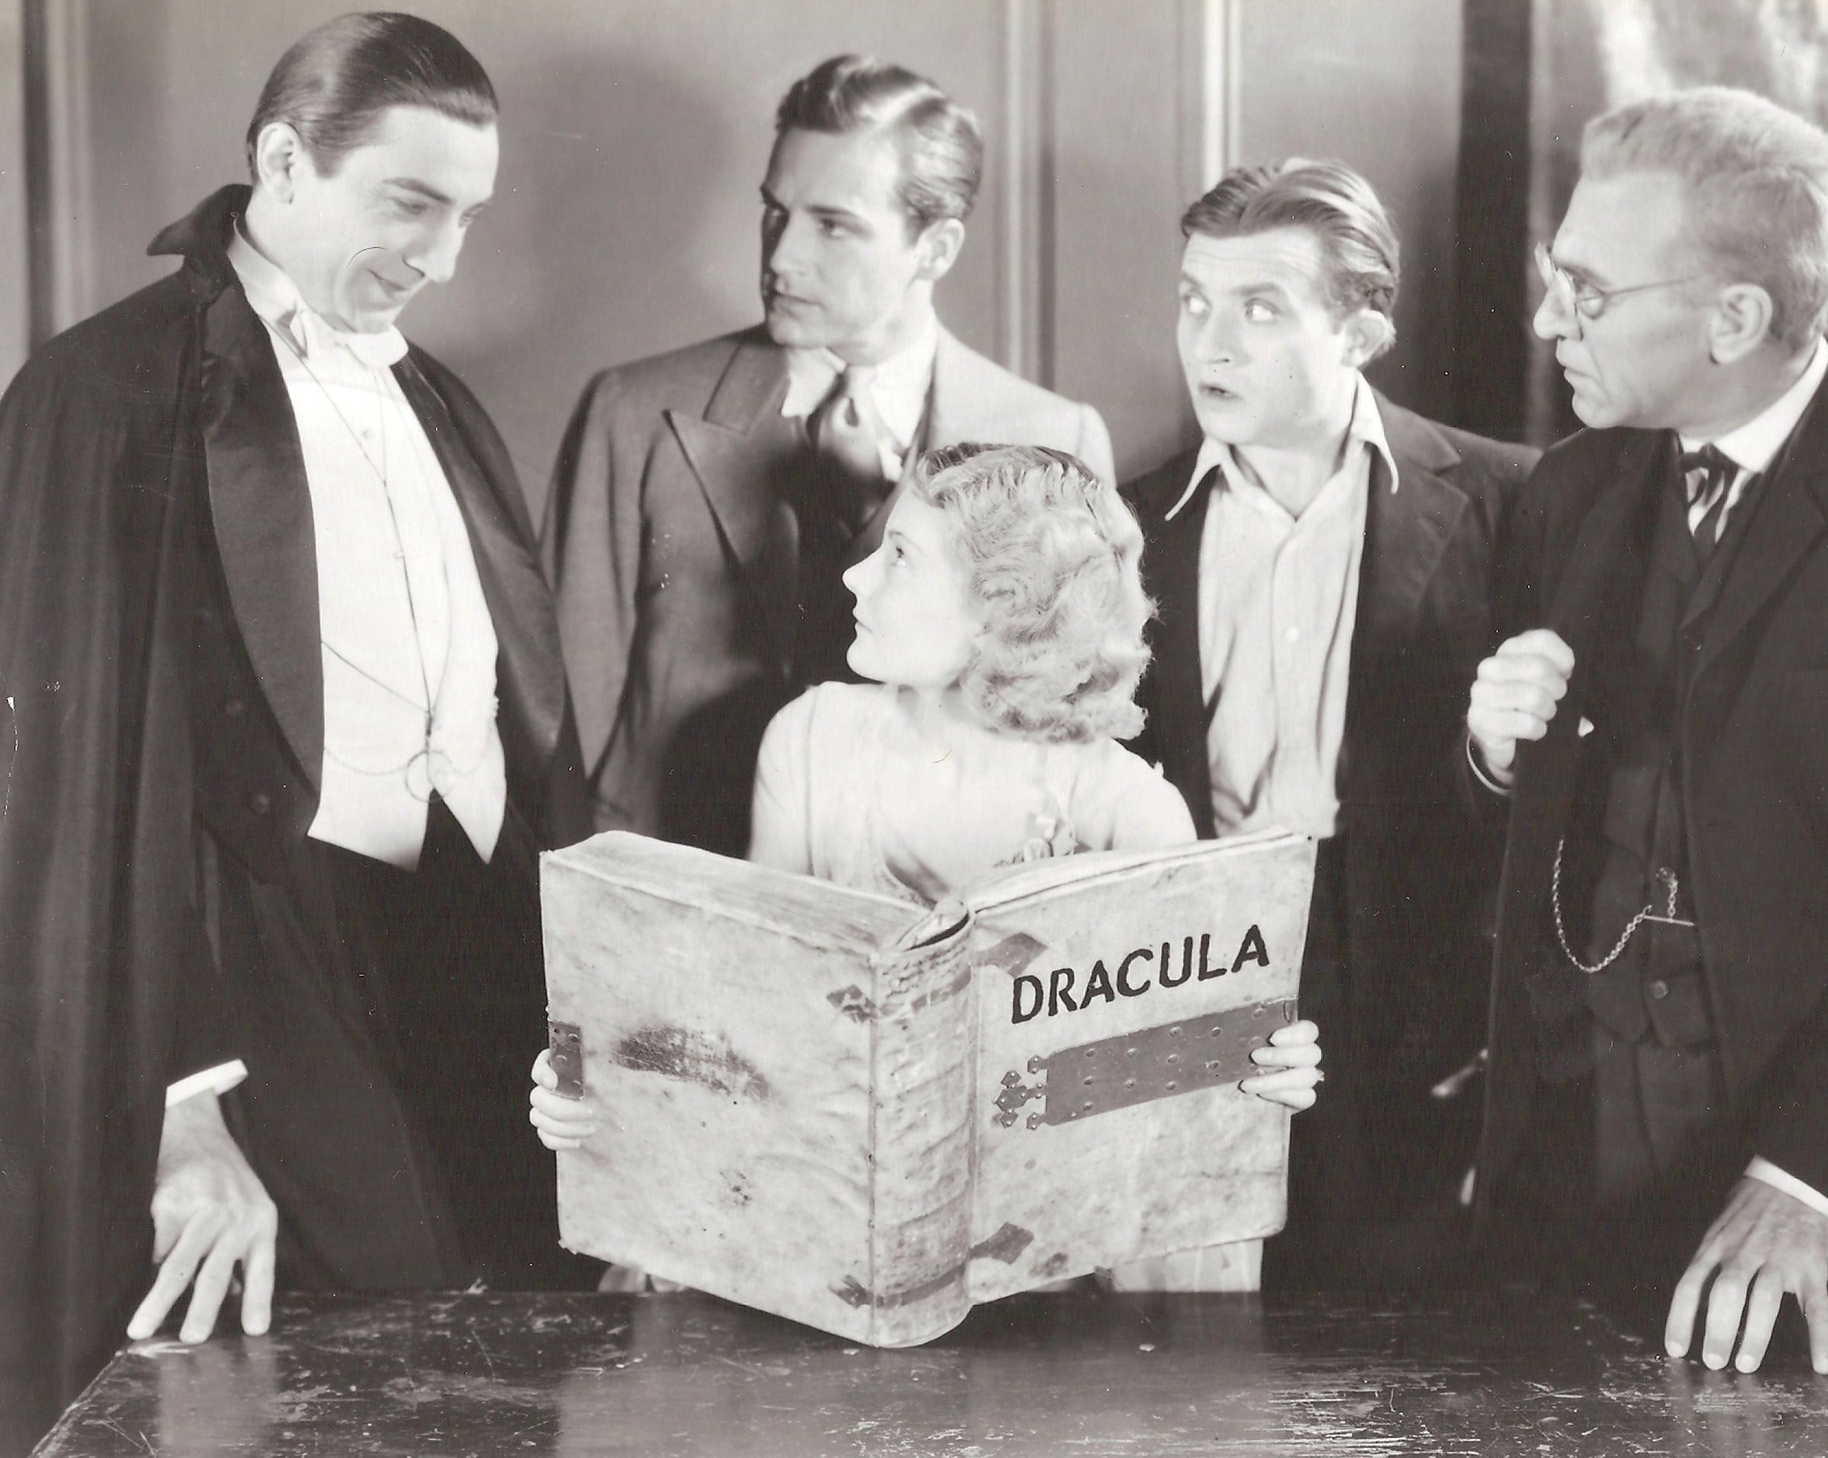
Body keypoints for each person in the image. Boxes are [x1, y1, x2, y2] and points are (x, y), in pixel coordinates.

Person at [0, 16, 592, 1452]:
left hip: (463, 978)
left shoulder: (435, 400)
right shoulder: (104, 395)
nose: (443, 258)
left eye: (467, 216)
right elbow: (55, 812)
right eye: (411, 203)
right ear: (283, 162)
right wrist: (177, 1107)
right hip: (243, 995)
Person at [1465, 87, 1828, 1458]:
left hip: (1821, 1217)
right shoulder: (1570, 492)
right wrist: (1491, 750)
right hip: (1559, 1212)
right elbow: (1541, 828)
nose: (1547, 321)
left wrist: (1803, 1180)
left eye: (1588, 292)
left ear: (1732, 319)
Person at [533, 444, 1323, 1290]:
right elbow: (753, 1017)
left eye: (901, 557)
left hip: (1053, 1285)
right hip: (825, 1236)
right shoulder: (812, 740)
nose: (855, 579)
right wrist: (609, 1076)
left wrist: (1254, 1074)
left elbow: (1166, 1116)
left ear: (1000, 609)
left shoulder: (1129, 812)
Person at [1121, 160, 1537, 1291]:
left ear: (1360, 332)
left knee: (1400, 1321)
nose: (1209, 344)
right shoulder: (1129, 523)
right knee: (1204, 1319)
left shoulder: (1510, 500)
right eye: (1193, 301)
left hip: (1416, 983)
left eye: (1259, 309)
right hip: (1197, 955)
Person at [544, 55, 1116, 859]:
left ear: (935, 247)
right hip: (672, 886)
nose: (781, 258)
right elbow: (562, 721)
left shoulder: (1054, 441)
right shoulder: (632, 413)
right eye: (774, 212)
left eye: (833, 225)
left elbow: (1065, 740)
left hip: (931, 903)